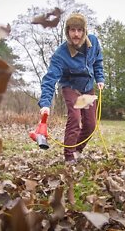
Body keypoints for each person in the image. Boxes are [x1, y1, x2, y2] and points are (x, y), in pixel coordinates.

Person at [38, 13, 105, 164]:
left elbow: (98, 62)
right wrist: (45, 103)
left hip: (87, 88)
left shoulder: (93, 42)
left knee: (90, 124)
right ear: (67, 31)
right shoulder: (60, 54)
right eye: (72, 30)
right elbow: (49, 79)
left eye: (79, 30)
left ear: (84, 31)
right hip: (71, 87)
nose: (76, 34)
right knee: (75, 118)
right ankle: (69, 157)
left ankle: (77, 151)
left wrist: (100, 78)